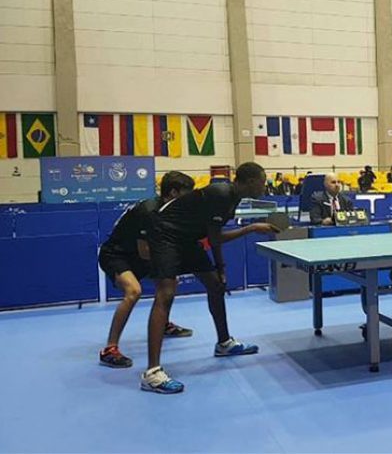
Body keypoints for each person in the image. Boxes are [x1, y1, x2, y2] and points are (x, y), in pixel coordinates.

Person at [142, 162, 280, 394]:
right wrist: (250, 230)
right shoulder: (221, 193)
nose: (264, 187)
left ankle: (224, 343)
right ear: (249, 182)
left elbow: (212, 236)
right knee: (165, 294)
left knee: (215, 286)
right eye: (262, 182)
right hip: (165, 234)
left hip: (186, 238)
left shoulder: (232, 198)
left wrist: (220, 270)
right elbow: (215, 239)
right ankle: (152, 373)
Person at [98, 171, 196, 369]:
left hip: (139, 253)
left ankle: (164, 323)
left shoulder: (169, 209)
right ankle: (109, 349)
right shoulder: (149, 211)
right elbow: (145, 253)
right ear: (174, 192)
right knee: (133, 291)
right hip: (117, 255)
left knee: (170, 281)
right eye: (187, 194)